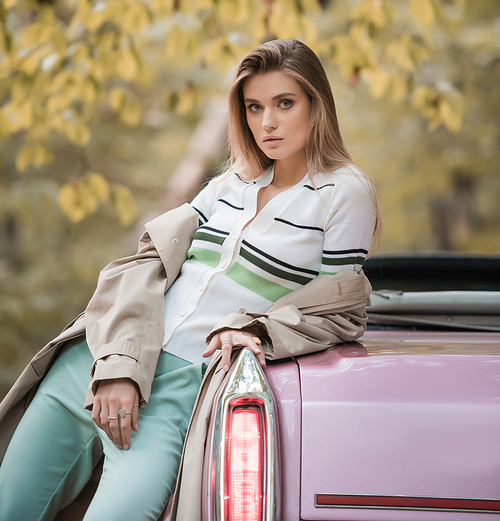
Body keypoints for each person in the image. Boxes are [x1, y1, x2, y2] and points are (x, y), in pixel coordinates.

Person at [0, 39, 381, 521]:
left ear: (316, 104)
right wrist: (119, 364)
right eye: (254, 107)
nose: (267, 123)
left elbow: (336, 307)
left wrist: (257, 330)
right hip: (101, 360)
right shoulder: (232, 183)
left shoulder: (343, 191)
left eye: (285, 103)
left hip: (182, 384)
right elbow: (145, 265)